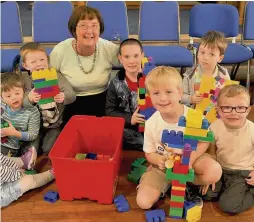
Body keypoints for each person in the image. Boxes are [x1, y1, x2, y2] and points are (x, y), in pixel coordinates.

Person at [136, 66, 222, 209]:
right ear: (150, 96)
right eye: (156, 93)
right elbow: (149, 153)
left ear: (180, 93)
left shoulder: (194, 117)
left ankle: (186, 184)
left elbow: (204, 142)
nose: (163, 98)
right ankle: (167, 183)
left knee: (214, 171)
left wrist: (190, 160)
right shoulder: (151, 123)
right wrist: (158, 160)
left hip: (191, 160)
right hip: (163, 166)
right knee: (143, 202)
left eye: (169, 92)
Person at [50, 6, 119, 126]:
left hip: (102, 101)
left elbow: (132, 65)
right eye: (83, 25)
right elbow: (48, 78)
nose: (89, 31)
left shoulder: (109, 48)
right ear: (73, 29)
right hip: (70, 103)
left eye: (94, 25)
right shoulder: (60, 50)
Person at [206, 84, 254, 214]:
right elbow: (211, 152)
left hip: (244, 173)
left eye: (240, 108)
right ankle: (230, 189)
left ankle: (249, 190)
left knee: (228, 206)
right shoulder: (214, 127)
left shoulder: (252, 130)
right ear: (219, 110)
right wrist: (209, 173)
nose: (233, 112)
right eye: (227, 107)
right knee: (208, 194)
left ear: (248, 110)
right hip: (221, 170)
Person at [20, 42, 76, 154]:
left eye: (42, 60)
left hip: (54, 124)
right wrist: (29, 99)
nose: (39, 64)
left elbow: (72, 95)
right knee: (31, 149)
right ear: (25, 65)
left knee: (48, 149)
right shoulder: (25, 81)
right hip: (33, 126)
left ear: (48, 60)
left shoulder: (56, 77)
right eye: (33, 62)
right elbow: (21, 104)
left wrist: (63, 97)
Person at [105, 38, 145, 150]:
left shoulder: (152, 79)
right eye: (127, 57)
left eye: (136, 56)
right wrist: (130, 119)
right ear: (120, 58)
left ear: (142, 55)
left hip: (151, 126)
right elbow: (109, 110)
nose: (132, 61)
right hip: (128, 128)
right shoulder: (115, 84)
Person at [182, 31, 230, 106]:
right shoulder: (189, 75)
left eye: (211, 54)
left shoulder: (223, 74)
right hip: (193, 113)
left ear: (220, 58)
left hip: (215, 113)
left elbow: (228, 94)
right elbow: (180, 96)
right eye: (202, 52)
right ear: (197, 54)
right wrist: (191, 98)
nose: (205, 58)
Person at [1, 73, 40, 157]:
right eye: (8, 96)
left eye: (17, 93)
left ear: (24, 92)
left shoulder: (32, 111)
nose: (13, 98)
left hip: (10, 148)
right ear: (2, 98)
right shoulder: (2, 105)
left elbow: (33, 135)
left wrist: (14, 133)